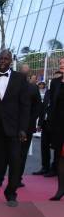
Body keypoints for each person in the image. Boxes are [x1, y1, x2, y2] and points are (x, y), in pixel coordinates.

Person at [0, 49, 30, 207]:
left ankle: (11, 193)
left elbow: (25, 106)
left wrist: (23, 128)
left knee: (15, 163)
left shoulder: (20, 78)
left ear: (11, 61)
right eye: (0, 58)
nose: (3, 61)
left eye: (6, 59)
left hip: (14, 129)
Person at [47, 58, 64, 201]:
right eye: (61, 63)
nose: (61, 65)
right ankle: (60, 189)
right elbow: (53, 105)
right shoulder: (55, 83)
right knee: (59, 158)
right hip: (59, 126)